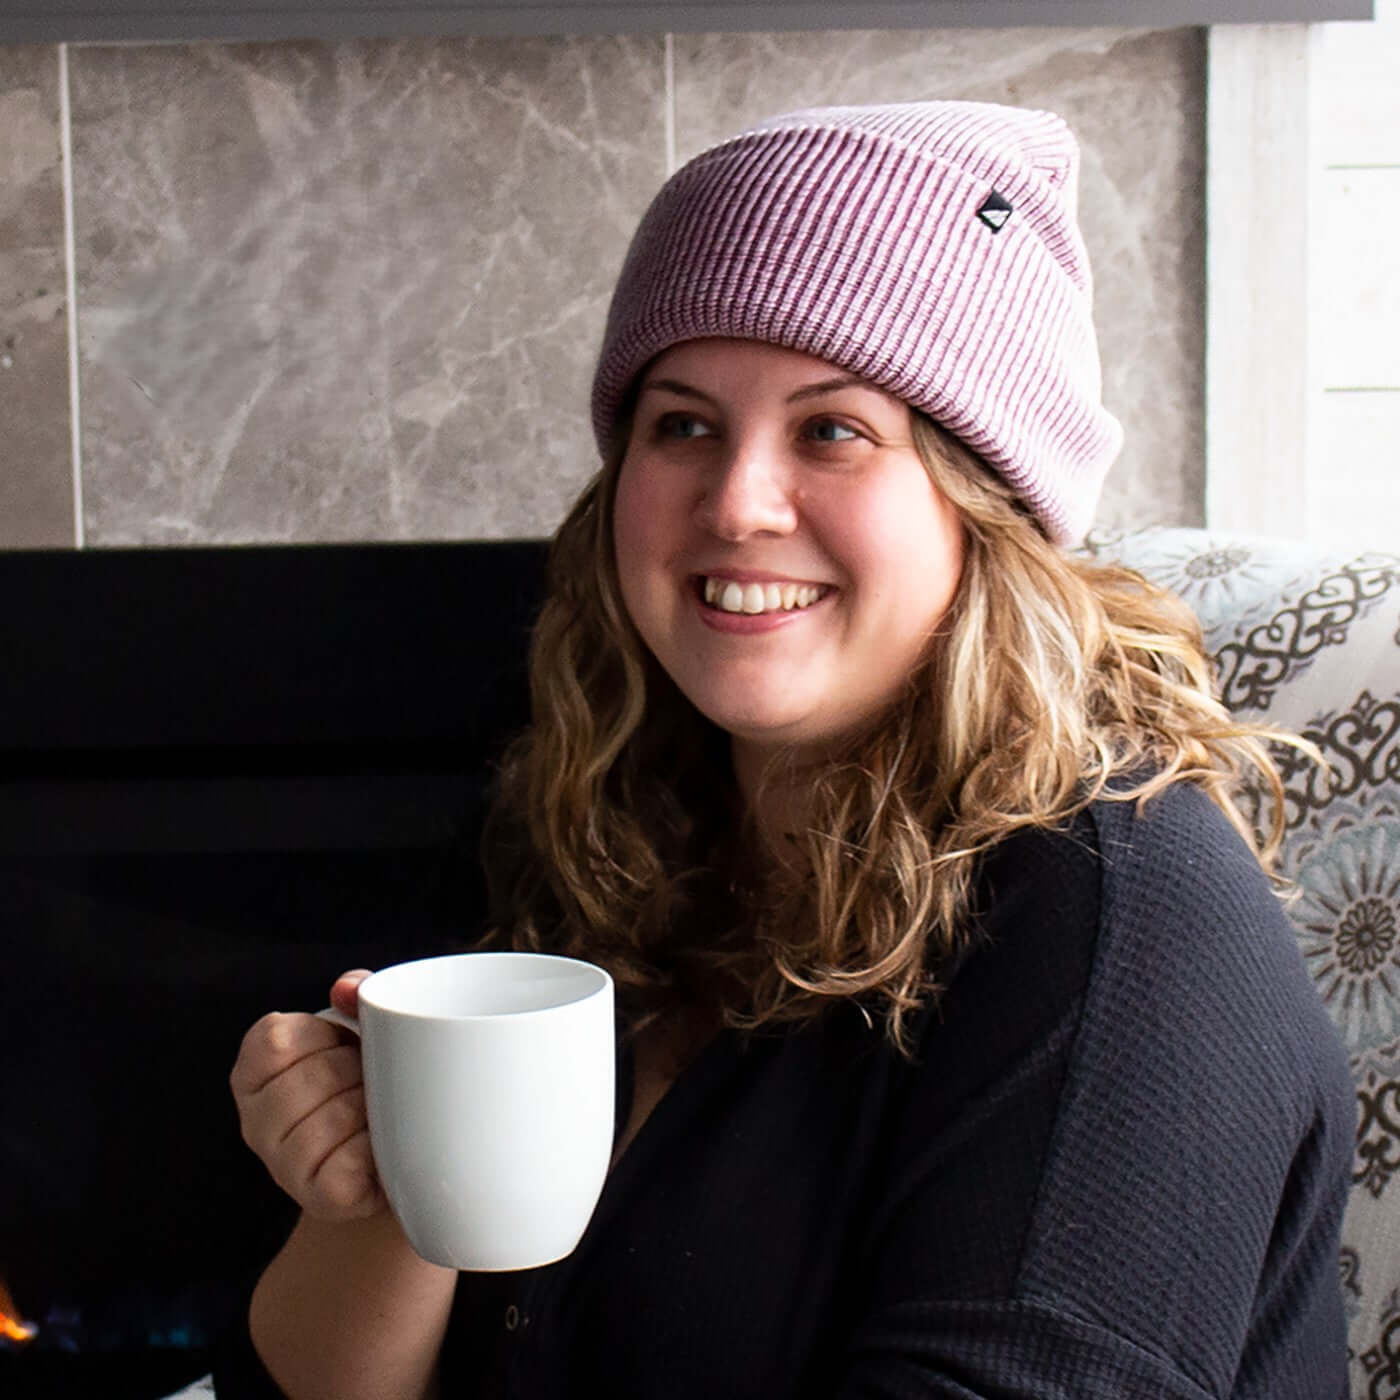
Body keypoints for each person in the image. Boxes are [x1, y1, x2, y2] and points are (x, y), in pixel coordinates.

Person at [218, 101, 1354, 1399]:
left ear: (983, 502)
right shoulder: (602, 830)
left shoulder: (1121, 918)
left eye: (833, 430)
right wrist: (374, 1179)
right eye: (683, 424)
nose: (737, 500)